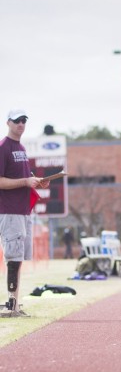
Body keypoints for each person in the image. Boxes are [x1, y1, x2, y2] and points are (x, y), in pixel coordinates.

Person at [0, 110, 49, 317]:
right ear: (8, 122)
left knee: (18, 259)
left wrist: (36, 180)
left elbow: (24, 177)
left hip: (23, 211)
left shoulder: (21, 148)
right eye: (17, 120)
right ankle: (11, 306)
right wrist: (25, 182)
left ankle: (15, 304)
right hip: (9, 211)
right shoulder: (3, 147)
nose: (21, 124)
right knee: (13, 258)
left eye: (24, 121)